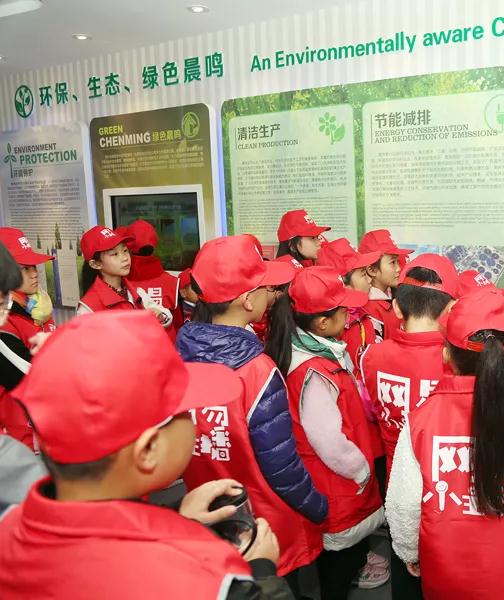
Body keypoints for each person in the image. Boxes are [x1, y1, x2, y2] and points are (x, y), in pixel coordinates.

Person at [0, 310, 294, 599]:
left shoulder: (8, 527)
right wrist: (261, 573)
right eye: (185, 411)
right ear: (149, 449)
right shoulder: (208, 579)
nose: (193, 420)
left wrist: (175, 519)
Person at [386, 287, 504, 600]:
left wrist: (408, 549)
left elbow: (404, 504)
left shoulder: (420, 421)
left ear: (446, 354)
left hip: (445, 572)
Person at [176, 235, 328, 597]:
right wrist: (318, 506)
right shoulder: (256, 371)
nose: (271, 295)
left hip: (208, 518)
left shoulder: (177, 358)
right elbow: (282, 467)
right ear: (247, 300)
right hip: (267, 530)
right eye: (265, 287)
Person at [268, 266, 385, 600]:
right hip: (336, 480)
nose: (348, 316)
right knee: (337, 573)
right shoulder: (312, 370)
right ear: (322, 323)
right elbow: (328, 440)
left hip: (333, 477)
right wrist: (361, 470)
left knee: (337, 565)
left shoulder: (313, 350)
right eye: (343, 310)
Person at [359, 254, 459, 600]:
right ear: (450, 310)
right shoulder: (455, 361)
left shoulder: (373, 357)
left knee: (404, 561)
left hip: (397, 479)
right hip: (446, 482)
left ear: (397, 309)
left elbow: (372, 411)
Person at [0, 228, 55, 450]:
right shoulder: (4, 322)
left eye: (34, 266)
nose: (34, 274)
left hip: (45, 430)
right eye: (24, 268)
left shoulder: (37, 307)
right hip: (19, 441)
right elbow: (28, 378)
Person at [78, 225, 170, 326]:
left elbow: (165, 315)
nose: (125, 258)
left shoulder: (136, 292)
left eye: (125, 250)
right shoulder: (89, 308)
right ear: (95, 264)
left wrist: (159, 315)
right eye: (115, 254)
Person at [316, 238, 381, 372]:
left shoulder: (362, 314)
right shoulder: (334, 327)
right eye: (363, 274)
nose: (370, 279)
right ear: (342, 282)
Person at [124, 219, 183, 342]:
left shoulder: (119, 284)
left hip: (130, 349)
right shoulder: (172, 282)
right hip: (167, 349)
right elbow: (179, 327)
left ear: (127, 247)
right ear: (155, 244)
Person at [358, 229, 412, 341]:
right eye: (392, 262)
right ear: (372, 270)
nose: (398, 268)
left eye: (397, 261)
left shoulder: (394, 295)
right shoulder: (368, 310)